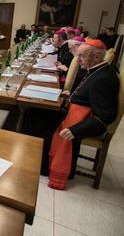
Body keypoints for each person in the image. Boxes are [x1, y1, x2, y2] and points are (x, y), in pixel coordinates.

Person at [47, 39, 119, 189]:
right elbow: (88, 94)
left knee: (38, 119)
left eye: (81, 56)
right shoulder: (97, 70)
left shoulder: (104, 78)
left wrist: (75, 131)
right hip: (73, 112)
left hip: (78, 124)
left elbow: (106, 115)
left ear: (96, 58)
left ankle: (46, 166)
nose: (77, 60)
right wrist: (71, 95)